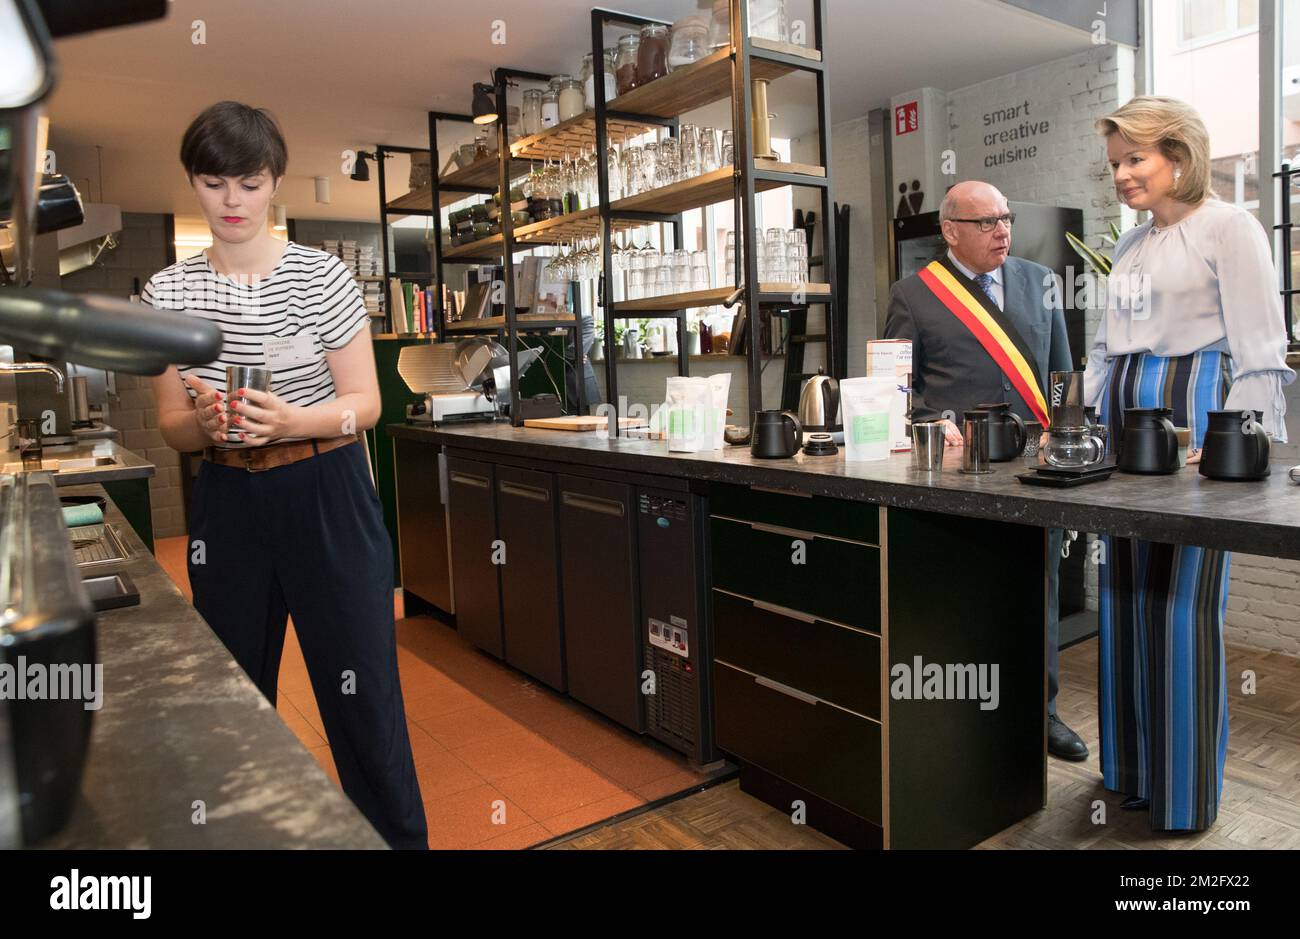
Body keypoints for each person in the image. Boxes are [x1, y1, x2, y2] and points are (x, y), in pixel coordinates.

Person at [144, 101, 427, 849]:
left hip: (327, 490)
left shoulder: (322, 277)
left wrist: (291, 420)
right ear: (193, 184)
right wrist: (202, 426)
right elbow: (172, 420)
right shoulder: (166, 294)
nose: (232, 202)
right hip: (228, 500)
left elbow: (363, 405)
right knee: (232, 703)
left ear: (274, 185)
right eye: (213, 184)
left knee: (364, 700)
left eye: (249, 183)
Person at [1084, 96, 1293, 830]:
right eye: (1115, 164)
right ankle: (1130, 775)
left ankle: (1183, 797)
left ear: (1179, 154)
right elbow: (1108, 349)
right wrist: (1077, 422)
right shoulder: (1136, 245)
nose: (1122, 175)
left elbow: (1262, 346)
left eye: (1134, 159)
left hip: (1196, 419)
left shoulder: (1230, 228)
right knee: (1123, 597)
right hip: (1124, 426)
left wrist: (1233, 438)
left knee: (1179, 606)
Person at [885, 180, 1088, 762]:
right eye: (985, 222)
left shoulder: (1038, 281)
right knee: (967, 590)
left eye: (1006, 219)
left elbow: (1060, 375)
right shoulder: (914, 293)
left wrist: (1068, 434)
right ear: (950, 231)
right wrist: (929, 421)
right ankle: (962, 717)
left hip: (1033, 466)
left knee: (1040, 589)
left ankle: (1040, 711)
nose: (1002, 231)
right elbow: (898, 387)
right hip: (957, 470)